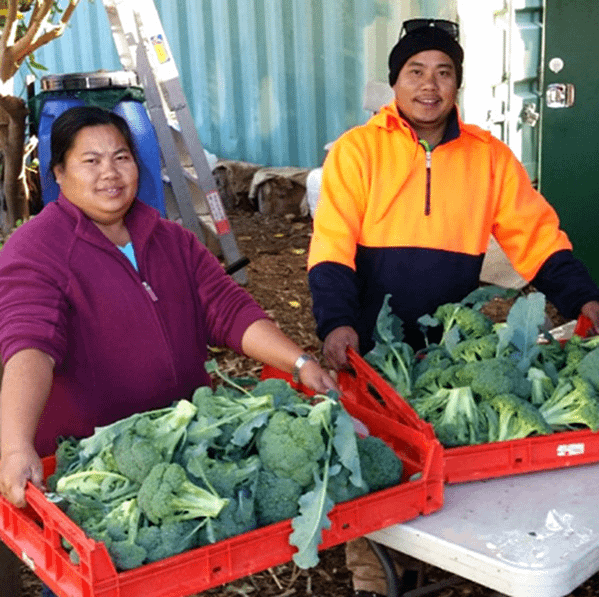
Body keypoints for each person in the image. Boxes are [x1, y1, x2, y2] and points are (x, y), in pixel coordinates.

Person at [307, 18, 599, 597]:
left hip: (446, 347)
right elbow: (332, 246)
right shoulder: (357, 152)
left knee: (447, 458)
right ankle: (376, 575)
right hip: (367, 348)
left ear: (458, 84)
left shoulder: (489, 157)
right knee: (372, 464)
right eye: (415, 71)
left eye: (444, 72)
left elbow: (537, 238)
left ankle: (435, 565)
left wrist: (584, 297)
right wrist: (336, 323)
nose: (429, 85)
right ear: (395, 81)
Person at [0, 106, 336, 597]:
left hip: (182, 457)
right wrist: (15, 445)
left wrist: (300, 363)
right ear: (58, 173)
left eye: (121, 157)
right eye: (90, 161)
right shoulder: (36, 249)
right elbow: (29, 345)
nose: (110, 173)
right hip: (106, 480)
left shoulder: (169, 237)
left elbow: (227, 309)